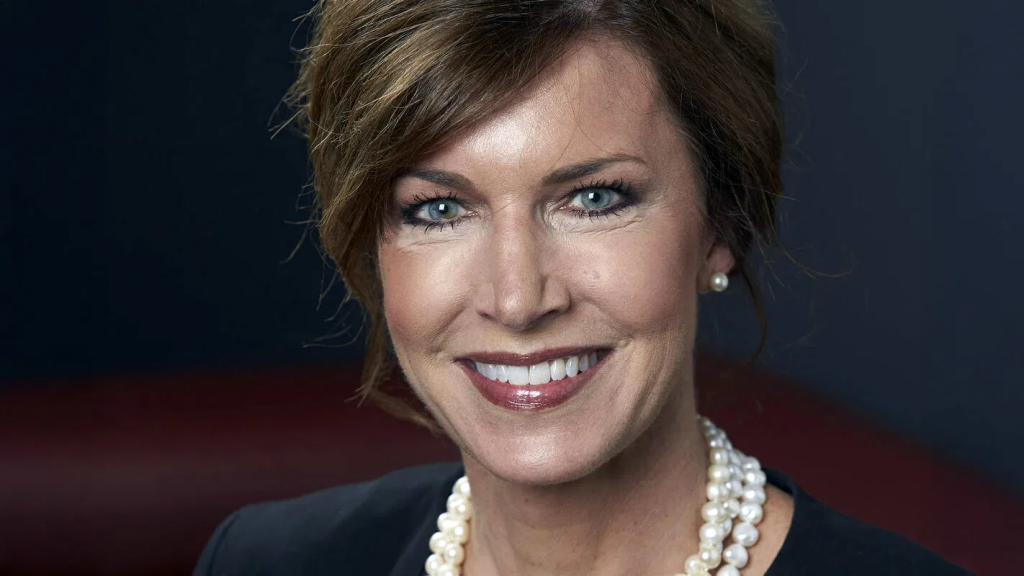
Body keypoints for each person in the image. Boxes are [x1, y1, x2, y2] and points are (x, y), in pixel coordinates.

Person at [195, 1, 973, 574]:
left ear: (721, 225)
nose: (516, 298)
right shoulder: (267, 562)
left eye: (593, 198)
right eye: (438, 209)